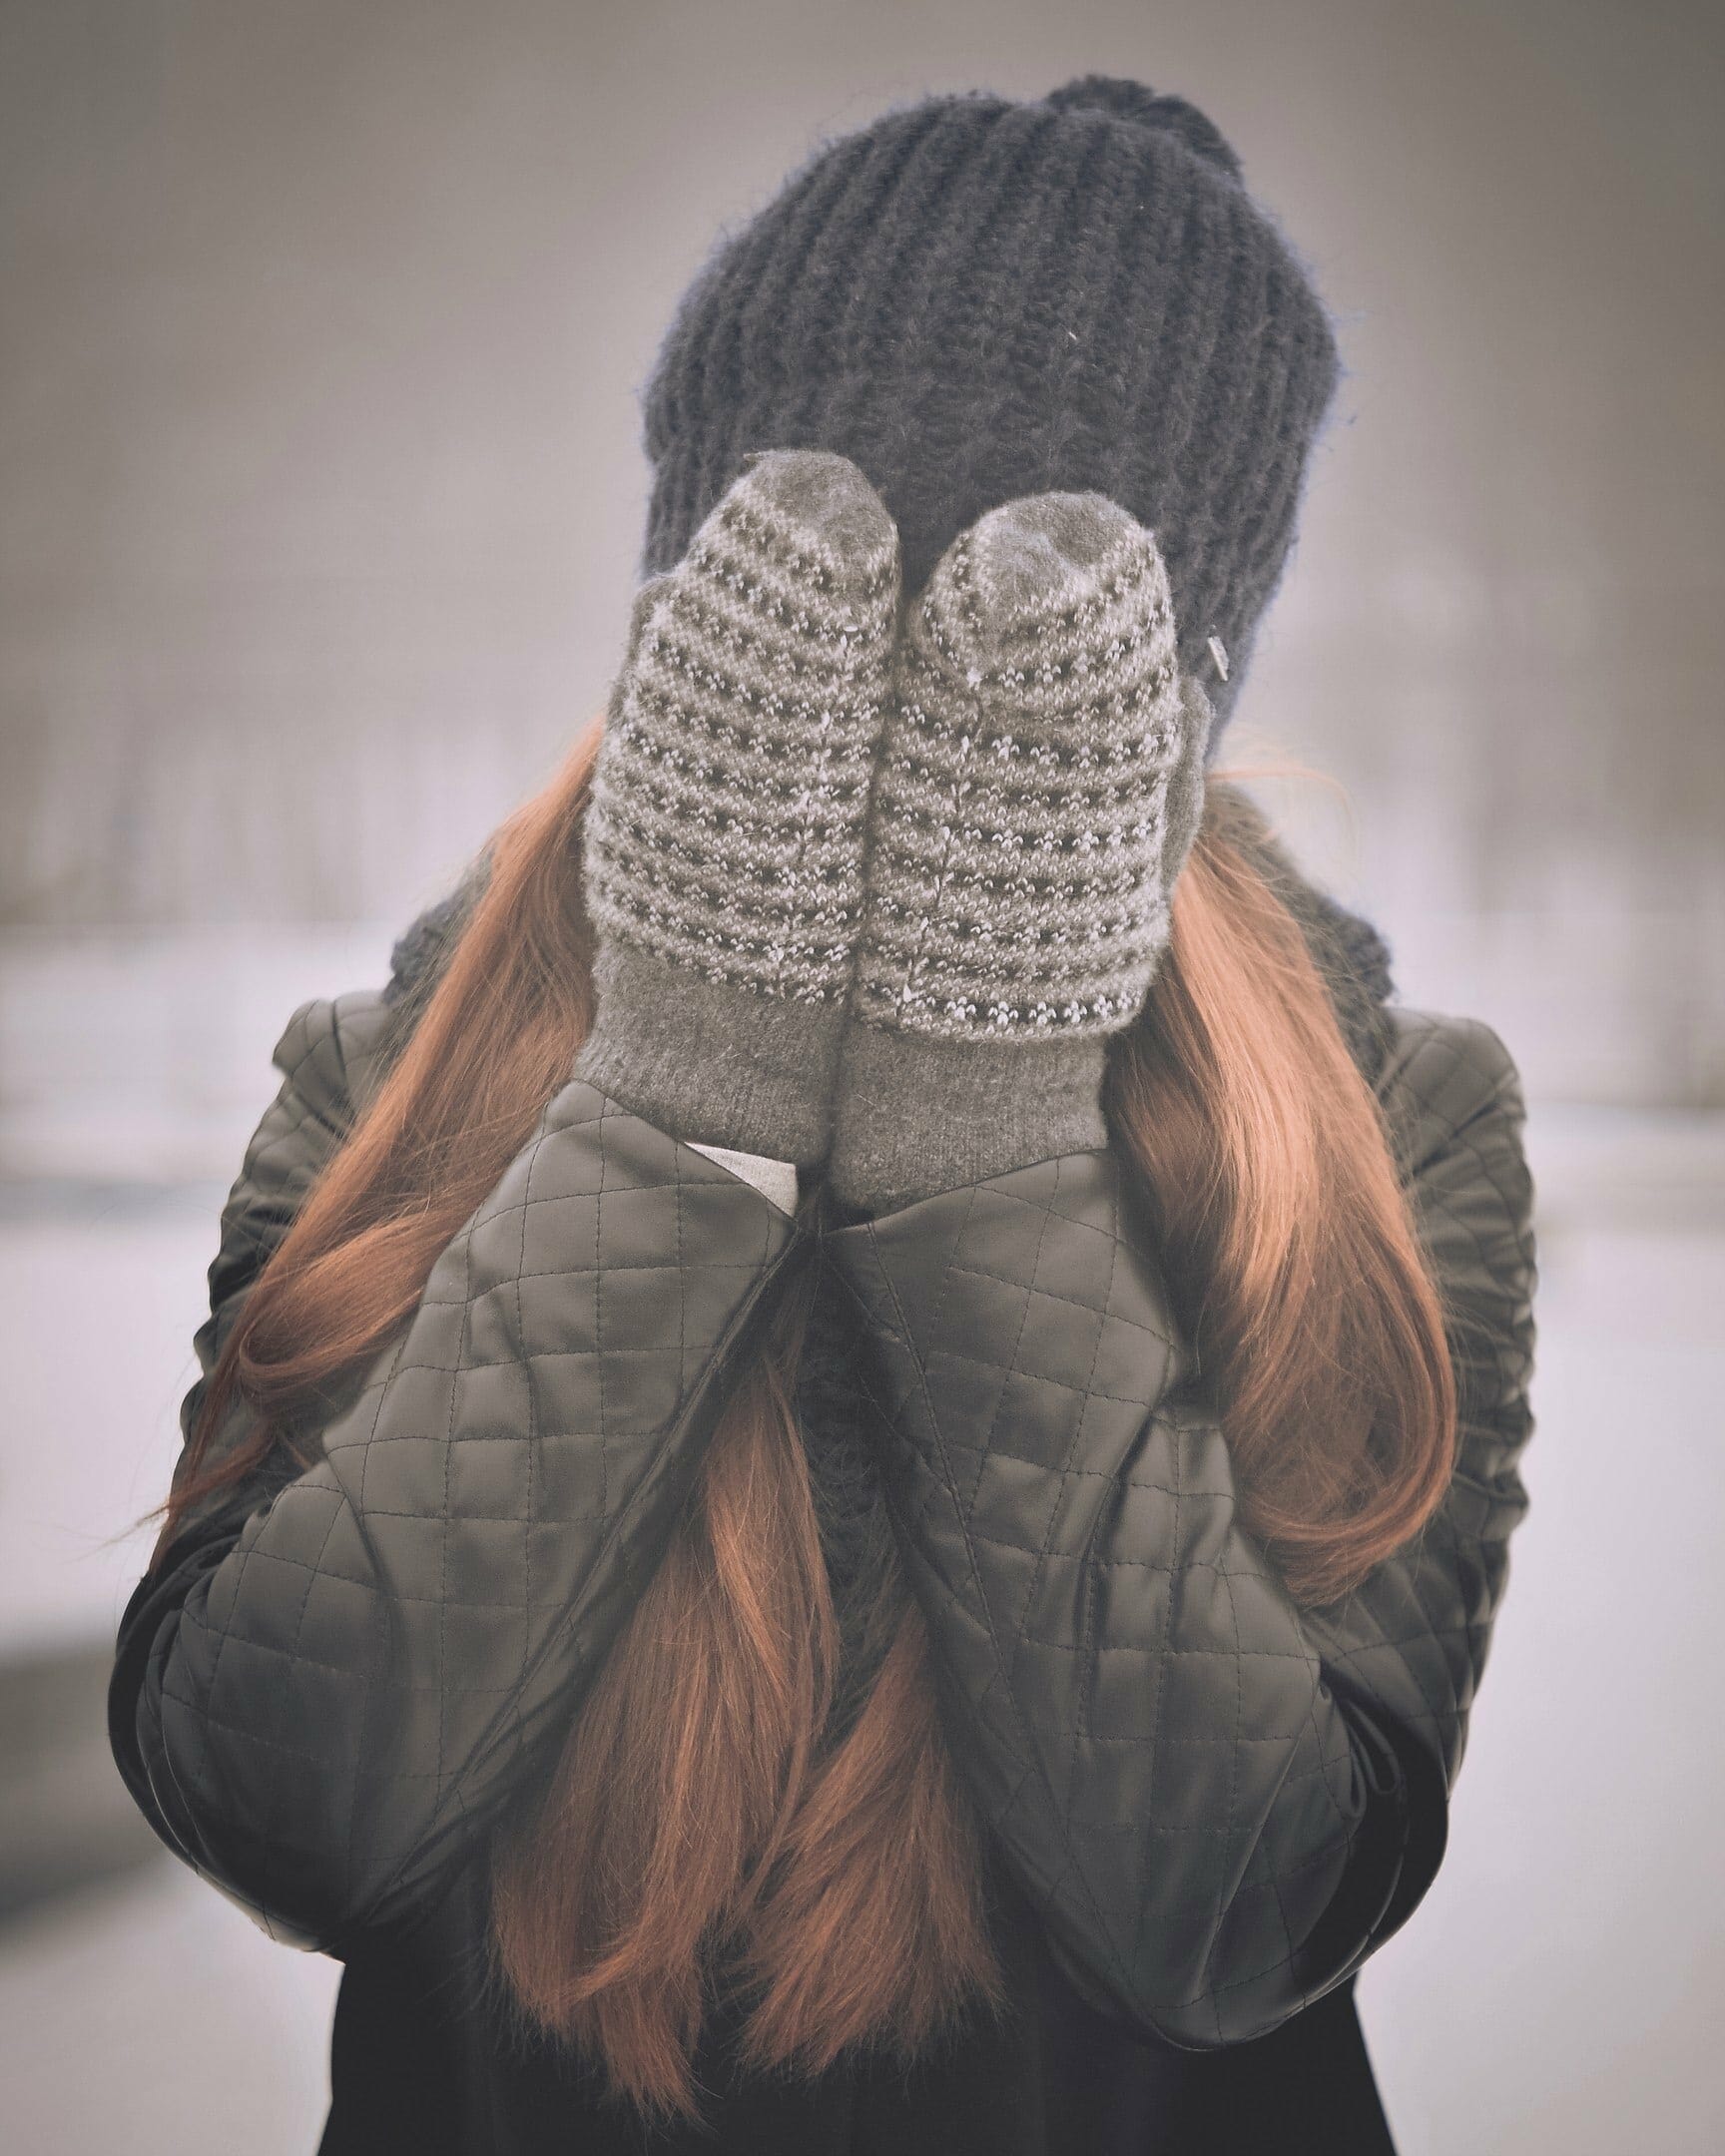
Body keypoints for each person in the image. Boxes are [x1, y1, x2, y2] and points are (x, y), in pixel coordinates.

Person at [107, 75, 1538, 2156]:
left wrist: (988, 1143)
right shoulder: (397, 1071)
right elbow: (273, 1799)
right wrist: (676, 1106)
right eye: (829, 584)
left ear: (1170, 695)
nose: (908, 687)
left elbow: (1247, 1909)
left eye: (1022, 630)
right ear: (691, 619)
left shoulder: (1394, 1135)